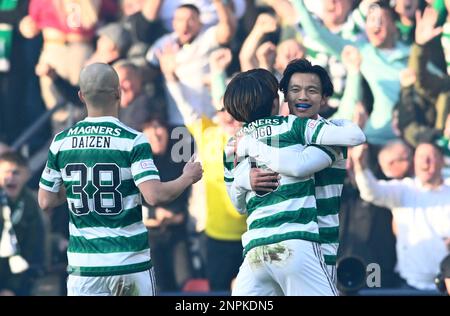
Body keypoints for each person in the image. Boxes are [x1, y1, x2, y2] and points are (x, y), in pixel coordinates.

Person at [38, 63, 203, 296]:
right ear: (118, 92)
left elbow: (46, 201)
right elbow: (155, 195)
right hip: (129, 262)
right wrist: (187, 177)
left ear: (81, 96)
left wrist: (77, 185)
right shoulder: (133, 140)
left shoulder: (61, 142)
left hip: (84, 268)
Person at [223, 66, 365, 295]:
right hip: (298, 244)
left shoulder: (234, 143)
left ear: (325, 98)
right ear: (281, 97)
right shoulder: (292, 126)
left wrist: (251, 150)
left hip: (278, 248)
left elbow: (298, 166)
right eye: (295, 90)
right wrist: (244, 180)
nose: (302, 96)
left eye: (312, 90)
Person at [352, 142, 450, 290]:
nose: (426, 161)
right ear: (414, 162)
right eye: (421, 157)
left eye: (432, 156)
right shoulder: (404, 189)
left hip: (447, 284)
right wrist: (360, 166)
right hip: (410, 284)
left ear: (442, 161)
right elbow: (371, 192)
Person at [0, 152, 47, 296]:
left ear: (26, 175)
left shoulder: (30, 205)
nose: (11, 178)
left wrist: (11, 288)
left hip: (18, 276)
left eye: (16, 173)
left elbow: (32, 250)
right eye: (6, 172)